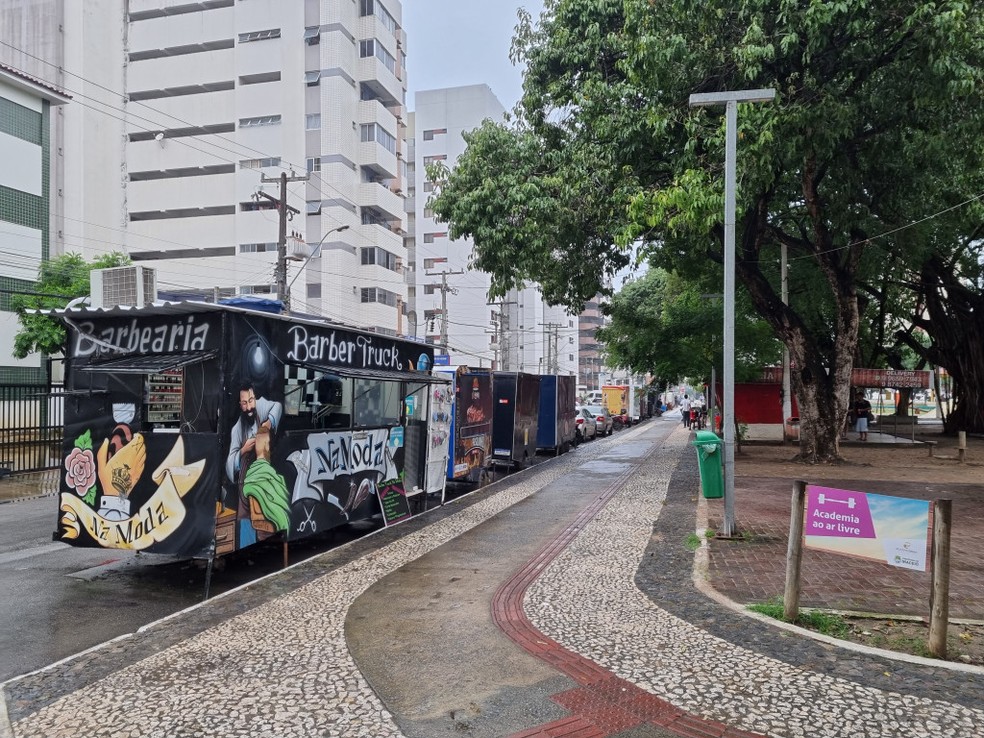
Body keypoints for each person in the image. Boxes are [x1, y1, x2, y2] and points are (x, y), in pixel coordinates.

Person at [226, 383, 284, 485]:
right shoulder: (237, 429)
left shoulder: (260, 406)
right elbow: (229, 466)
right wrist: (243, 450)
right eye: (244, 403)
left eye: (251, 401)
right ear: (240, 404)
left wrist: (268, 423)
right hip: (247, 480)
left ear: (254, 398)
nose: (249, 407)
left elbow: (278, 406)